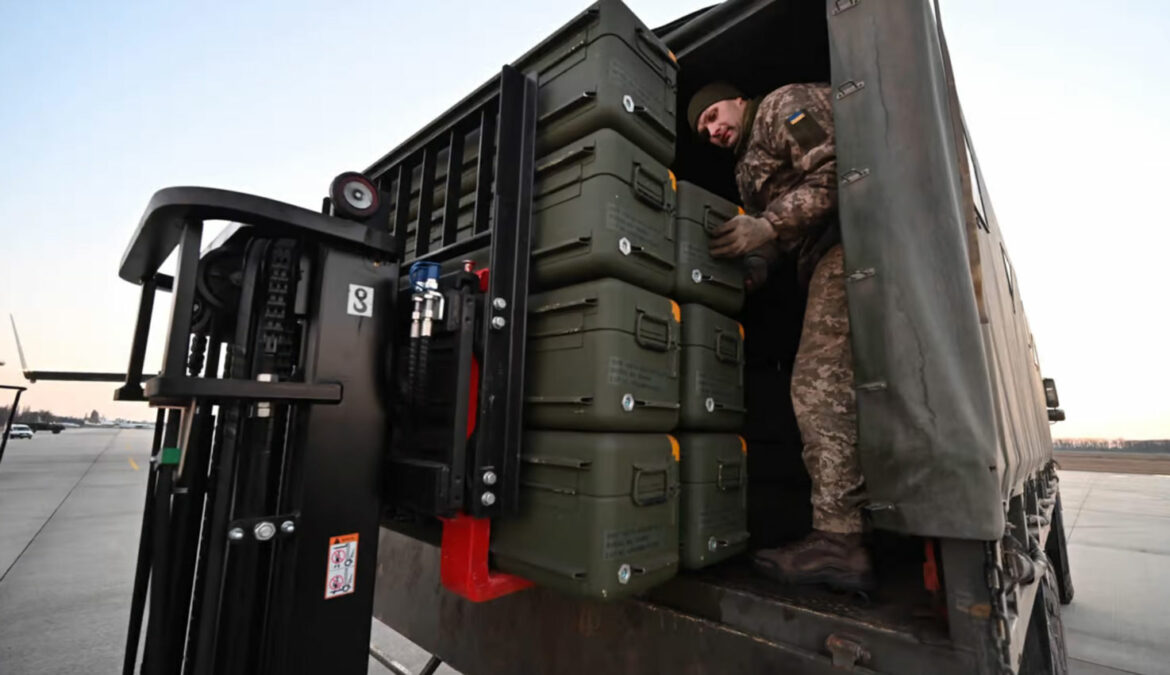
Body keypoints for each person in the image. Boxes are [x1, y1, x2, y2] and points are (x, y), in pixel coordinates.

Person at [688, 81, 873, 591]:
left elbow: (840, 172)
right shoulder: (746, 172)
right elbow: (776, 239)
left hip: (853, 241)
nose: (713, 129)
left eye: (714, 114)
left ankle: (840, 542)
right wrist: (756, 267)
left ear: (738, 101)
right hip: (819, 258)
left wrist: (765, 225)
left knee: (817, 387)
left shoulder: (780, 107)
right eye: (704, 129)